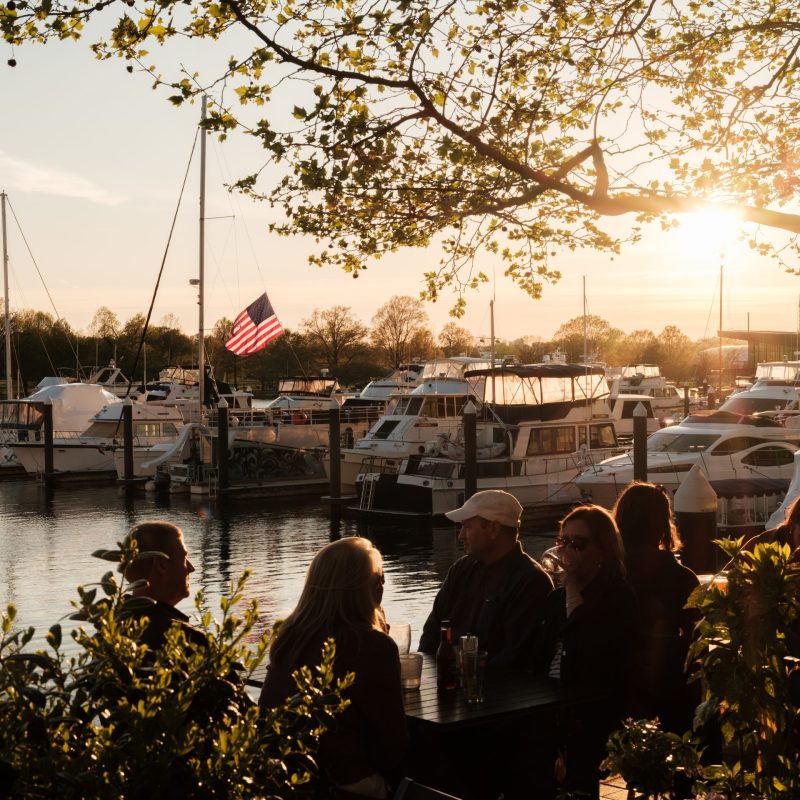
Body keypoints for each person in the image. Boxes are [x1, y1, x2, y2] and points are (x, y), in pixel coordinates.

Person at [259, 537, 408, 800]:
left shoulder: (290, 635)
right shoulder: (370, 644)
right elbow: (392, 745)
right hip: (342, 783)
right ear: (366, 588)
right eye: (379, 579)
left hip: (282, 779)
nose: (382, 586)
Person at [529, 505, 639, 800]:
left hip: (594, 712)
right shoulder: (555, 599)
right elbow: (538, 655)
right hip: (550, 707)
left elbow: (593, 664)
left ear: (602, 552)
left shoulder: (618, 598)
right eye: (563, 542)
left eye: (577, 544)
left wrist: (575, 600)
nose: (566, 551)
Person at [418, 489, 552, 667]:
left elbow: (515, 658)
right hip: (451, 682)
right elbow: (432, 633)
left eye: (467, 527)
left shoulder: (531, 581)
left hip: (498, 690)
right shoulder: (460, 569)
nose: (460, 536)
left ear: (493, 528)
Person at [613, 481, 700, 733]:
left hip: (616, 684)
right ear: (663, 522)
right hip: (666, 690)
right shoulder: (680, 577)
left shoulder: (610, 569)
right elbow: (697, 639)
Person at [124, 519, 205, 649]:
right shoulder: (187, 640)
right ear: (161, 564)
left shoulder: (110, 629)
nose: (191, 568)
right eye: (184, 559)